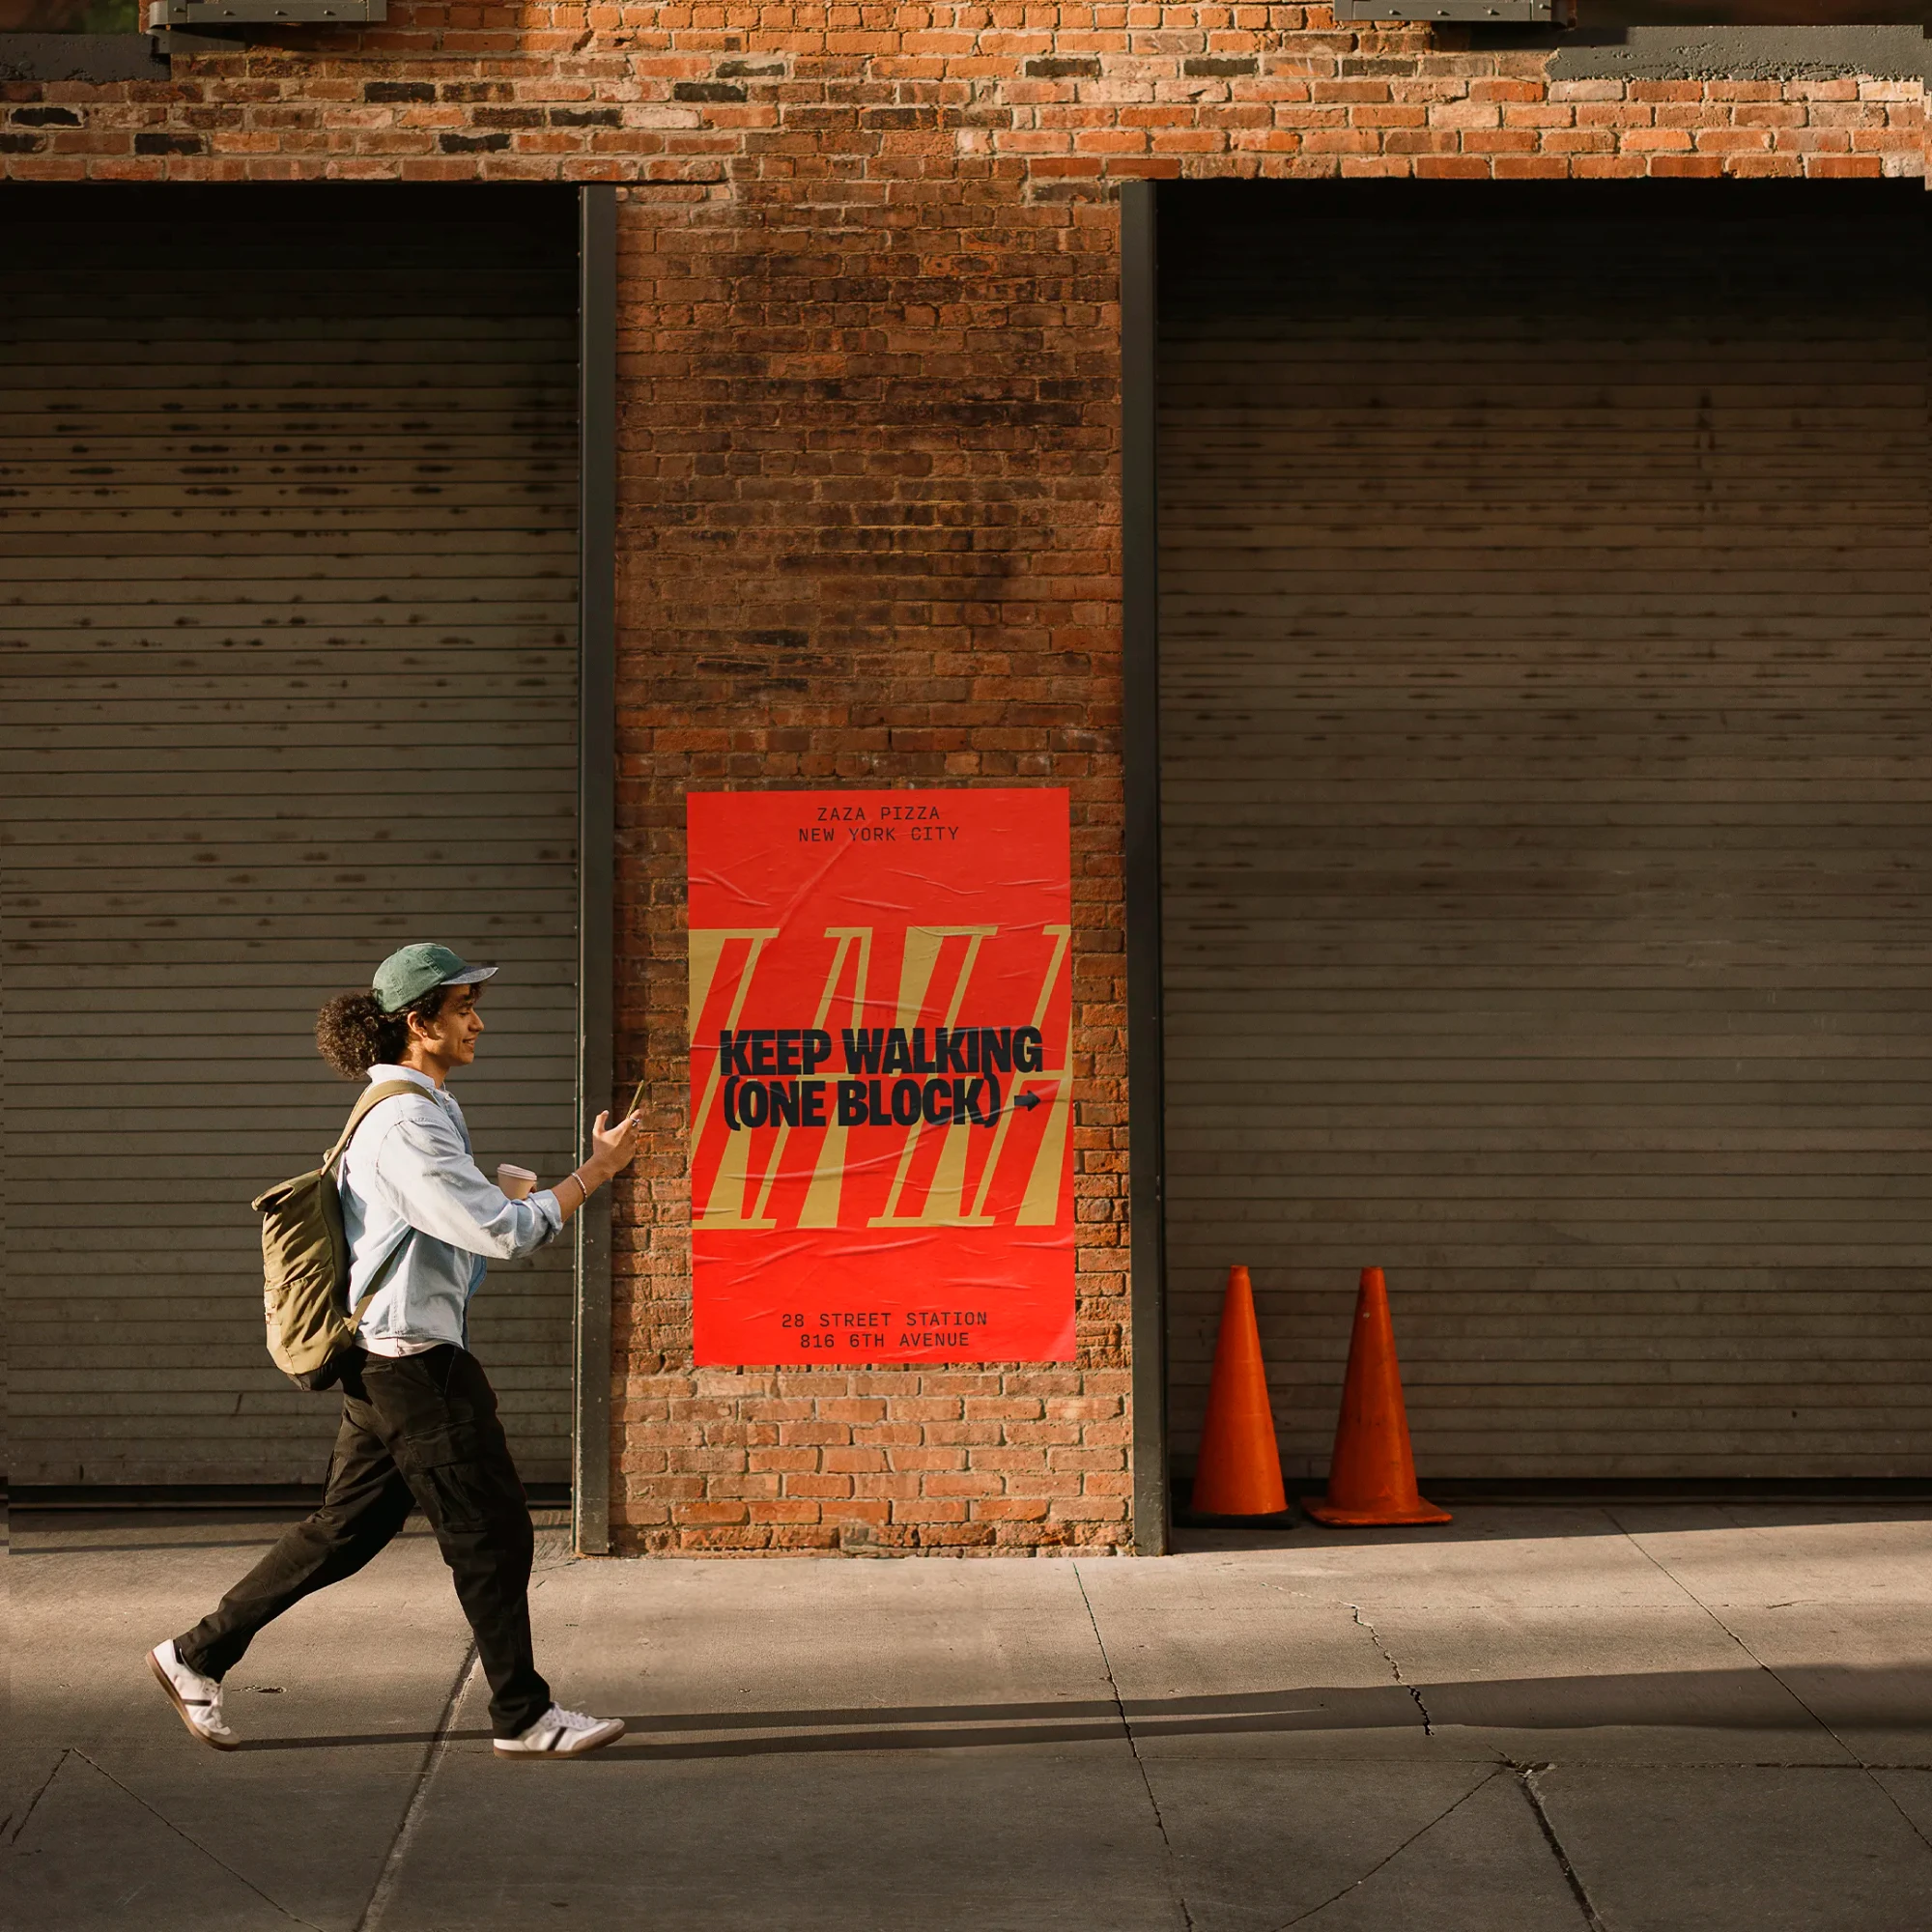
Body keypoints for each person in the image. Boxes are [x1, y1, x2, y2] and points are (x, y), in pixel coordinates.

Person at [150, 942, 639, 1760]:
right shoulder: (408, 1120)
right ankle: (523, 1715)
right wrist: (595, 1171)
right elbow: (506, 1235)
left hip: (390, 1360)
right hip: (415, 1367)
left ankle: (194, 1655)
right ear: (418, 1024)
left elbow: (455, 1236)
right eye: (462, 1010)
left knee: (343, 1532)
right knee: (493, 1535)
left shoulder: (426, 1107)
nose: (477, 1023)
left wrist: (499, 1198)